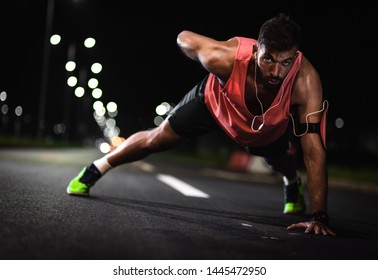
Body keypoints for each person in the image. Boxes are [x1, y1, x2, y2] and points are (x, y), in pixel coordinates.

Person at [67, 13, 336, 236]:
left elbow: (313, 151)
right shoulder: (223, 57)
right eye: (268, 60)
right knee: (157, 139)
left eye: (286, 62)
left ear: (295, 57)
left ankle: (291, 182)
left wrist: (319, 216)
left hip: (264, 127)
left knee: (280, 160)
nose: (277, 72)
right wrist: (195, 53)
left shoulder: (306, 82)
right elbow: (184, 37)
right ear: (256, 51)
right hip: (213, 105)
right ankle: (94, 170)